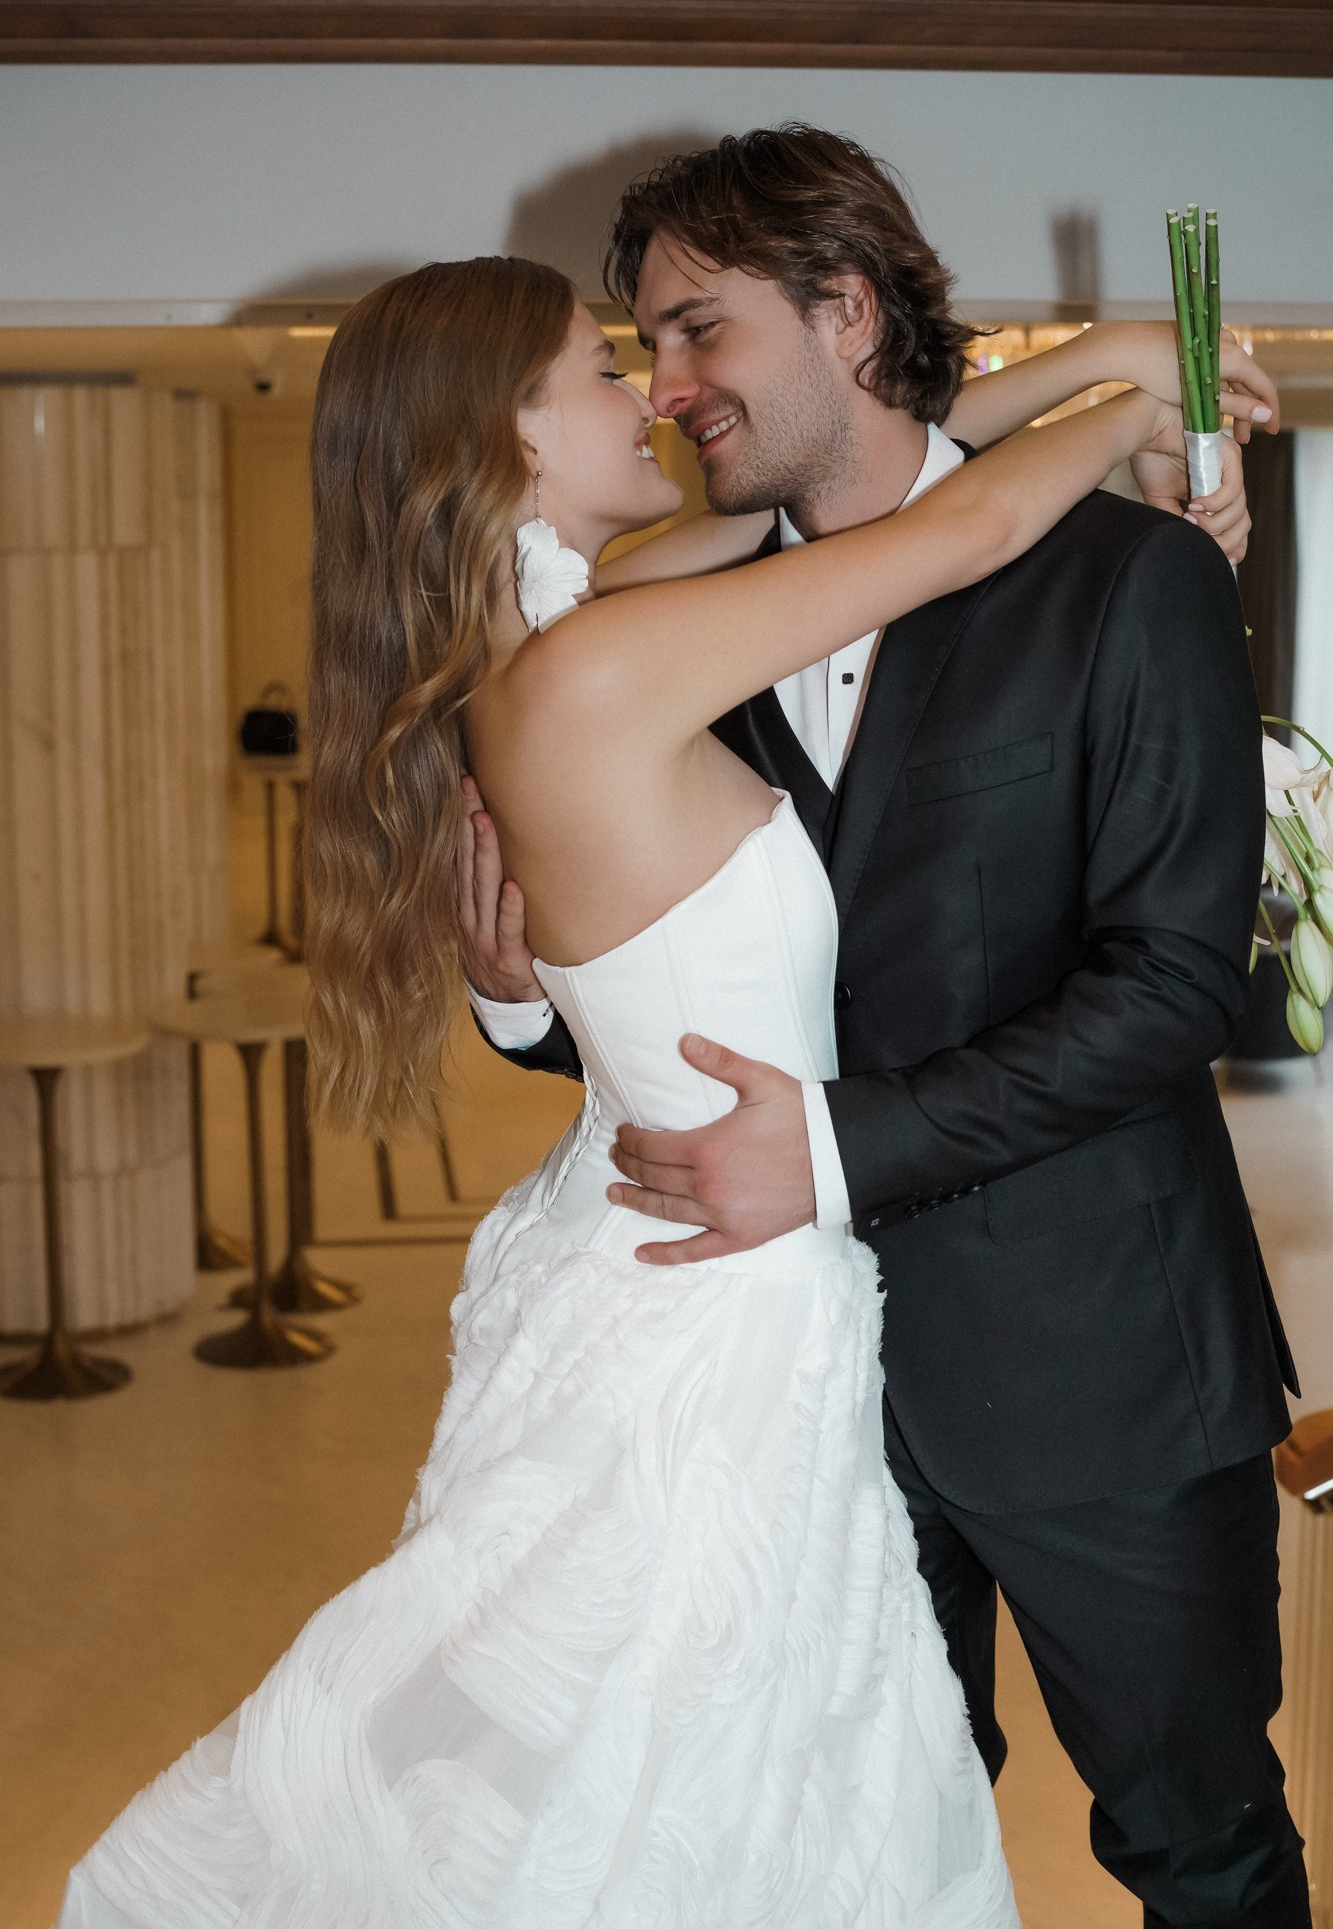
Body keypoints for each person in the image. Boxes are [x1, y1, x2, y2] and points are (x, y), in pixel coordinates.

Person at [61, 242, 1255, 1926]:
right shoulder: (607, 665)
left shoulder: (592, 622)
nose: (652, 395)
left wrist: (1110, 357)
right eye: (602, 368)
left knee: (763, 1798)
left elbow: (876, 480)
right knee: (718, 1812)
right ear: (512, 434)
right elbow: (962, 532)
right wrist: (1136, 410)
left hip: (733, 1273)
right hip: (716, 1299)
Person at [463, 128, 1310, 1929]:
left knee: (1202, 1850)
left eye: (698, 331)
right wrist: (517, 990)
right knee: (853, 1859)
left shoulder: (1128, 577)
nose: (666, 386)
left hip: (1098, 1366)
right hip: (797, 1396)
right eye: (642, 350)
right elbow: (653, 997)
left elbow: (1170, 988)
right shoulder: (672, 622)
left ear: (845, 312)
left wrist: (840, 1148)